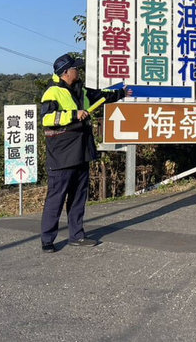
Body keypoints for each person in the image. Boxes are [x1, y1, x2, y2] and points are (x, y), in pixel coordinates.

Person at [39, 53, 131, 252]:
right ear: (65, 73)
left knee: (78, 198)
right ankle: (47, 240)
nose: (78, 71)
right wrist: (73, 114)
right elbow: (46, 118)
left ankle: (77, 236)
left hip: (81, 152)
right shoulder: (52, 92)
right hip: (62, 155)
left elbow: (102, 95)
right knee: (56, 198)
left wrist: (122, 93)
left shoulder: (80, 91)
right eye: (75, 68)